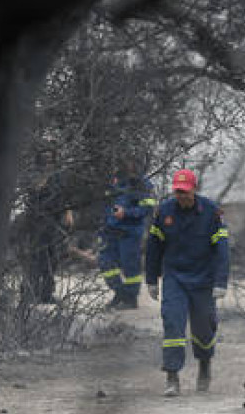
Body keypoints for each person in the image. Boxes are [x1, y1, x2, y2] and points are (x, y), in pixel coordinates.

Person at [146, 168, 230, 397]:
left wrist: (221, 281)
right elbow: (154, 247)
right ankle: (172, 377)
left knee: (203, 329)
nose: (181, 196)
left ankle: (204, 365)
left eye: (185, 191)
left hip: (203, 278)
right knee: (173, 324)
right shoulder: (164, 213)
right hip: (175, 278)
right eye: (177, 192)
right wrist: (151, 279)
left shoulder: (212, 212)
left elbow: (222, 250)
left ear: (194, 189)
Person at [97, 163, 156, 309]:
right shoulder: (112, 182)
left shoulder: (142, 184)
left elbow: (147, 208)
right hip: (109, 232)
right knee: (105, 263)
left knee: (131, 267)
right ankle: (120, 293)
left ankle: (130, 299)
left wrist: (127, 213)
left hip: (129, 233)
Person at [16, 159, 73, 305]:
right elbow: (26, 198)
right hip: (35, 223)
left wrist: (67, 211)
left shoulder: (58, 175)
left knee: (51, 259)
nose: (48, 161)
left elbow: (63, 195)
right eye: (45, 157)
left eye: (51, 157)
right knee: (35, 259)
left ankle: (46, 294)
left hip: (53, 222)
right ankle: (28, 293)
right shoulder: (32, 174)